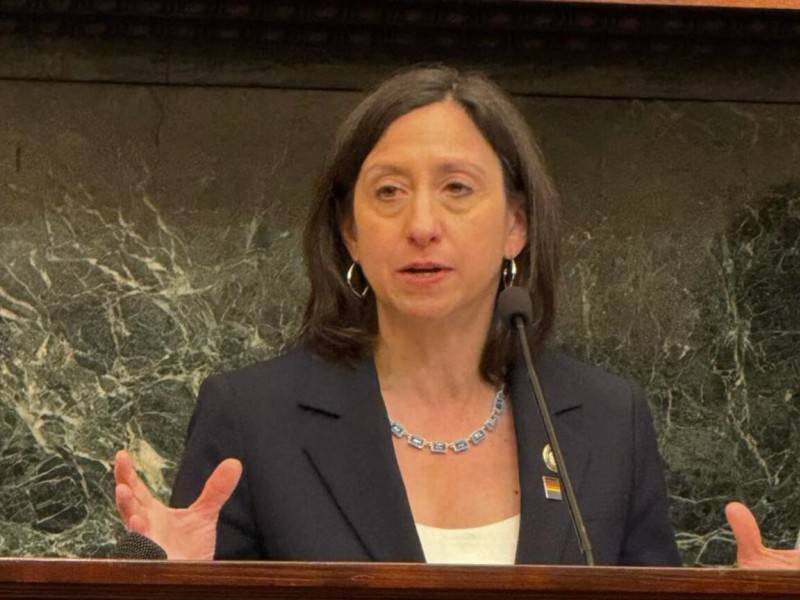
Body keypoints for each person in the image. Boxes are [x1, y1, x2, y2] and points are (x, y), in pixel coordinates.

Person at [115, 65, 799, 568]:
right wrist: (174, 585)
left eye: (457, 189)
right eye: (388, 192)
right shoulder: (252, 416)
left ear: (516, 227)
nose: (421, 224)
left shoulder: (607, 419)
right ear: (350, 232)